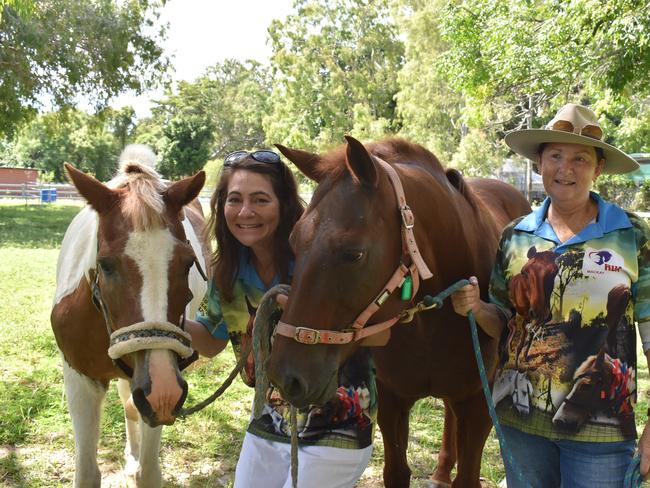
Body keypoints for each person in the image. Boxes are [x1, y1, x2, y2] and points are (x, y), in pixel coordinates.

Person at [450, 103, 650, 487]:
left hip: (601, 430)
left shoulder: (631, 235)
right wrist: (476, 308)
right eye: (555, 156)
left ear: (598, 168)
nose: (566, 168)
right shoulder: (515, 235)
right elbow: (505, 322)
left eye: (580, 158)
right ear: (540, 163)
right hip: (520, 424)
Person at [185, 149, 375, 488]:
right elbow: (211, 341)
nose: (245, 212)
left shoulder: (322, 258)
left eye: (260, 200)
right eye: (235, 199)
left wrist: (313, 326)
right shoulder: (229, 273)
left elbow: (383, 336)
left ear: (284, 204)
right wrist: (162, 324)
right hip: (271, 419)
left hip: (337, 420)